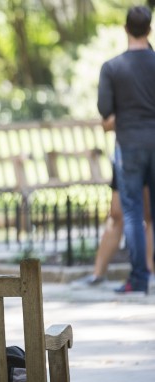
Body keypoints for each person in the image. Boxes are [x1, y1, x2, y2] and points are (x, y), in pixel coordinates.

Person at [97, 6, 155, 294]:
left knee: (132, 213)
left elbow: (105, 111)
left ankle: (140, 279)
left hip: (129, 144)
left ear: (125, 29)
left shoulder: (112, 67)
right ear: (149, 29)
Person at [73, 136, 154, 287]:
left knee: (149, 215)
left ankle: (150, 271)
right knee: (116, 215)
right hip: (126, 150)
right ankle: (98, 274)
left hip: (148, 146)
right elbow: (107, 122)